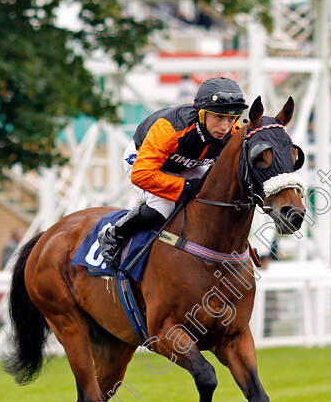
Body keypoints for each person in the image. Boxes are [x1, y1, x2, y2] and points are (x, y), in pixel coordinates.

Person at [98, 76, 248, 268]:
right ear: (201, 113)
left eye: (231, 118)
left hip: (188, 164)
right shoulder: (170, 127)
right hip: (145, 162)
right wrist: (184, 185)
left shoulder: (233, 132)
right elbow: (142, 174)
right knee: (163, 208)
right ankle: (114, 234)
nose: (225, 127)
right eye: (218, 117)